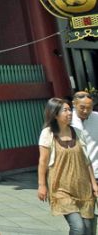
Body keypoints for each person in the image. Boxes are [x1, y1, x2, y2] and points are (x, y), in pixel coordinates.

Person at [38, 97, 98, 235]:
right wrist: (42, 185)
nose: (70, 113)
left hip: (83, 188)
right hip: (61, 187)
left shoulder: (78, 132)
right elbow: (43, 161)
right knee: (78, 227)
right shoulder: (48, 134)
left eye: (69, 110)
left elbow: (86, 160)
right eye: (65, 110)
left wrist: (94, 186)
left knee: (88, 229)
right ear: (55, 114)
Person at [71, 91, 98, 180]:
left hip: (96, 170)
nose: (86, 111)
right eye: (82, 108)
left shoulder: (96, 118)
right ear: (74, 104)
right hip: (77, 174)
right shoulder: (67, 120)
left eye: (89, 108)